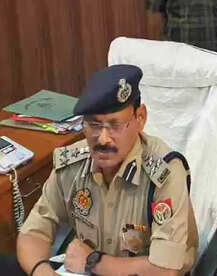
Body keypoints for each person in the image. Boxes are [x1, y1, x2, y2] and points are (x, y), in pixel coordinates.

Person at [16, 65, 198, 275]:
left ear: (140, 118)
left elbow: (165, 270)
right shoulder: (72, 164)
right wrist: (42, 272)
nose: (103, 139)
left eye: (115, 125)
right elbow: (33, 233)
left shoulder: (165, 173)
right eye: (94, 125)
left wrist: (93, 261)